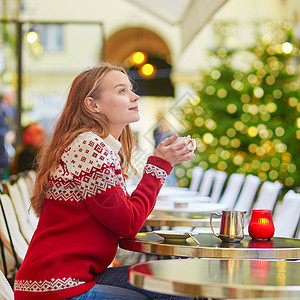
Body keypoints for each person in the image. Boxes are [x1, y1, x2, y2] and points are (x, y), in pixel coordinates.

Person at [14, 63, 195, 300]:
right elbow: (128, 224)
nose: (135, 96)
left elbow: (123, 216)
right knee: (175, 290)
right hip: (57, 288)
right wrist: (160, 164)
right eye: (122, 91)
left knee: (175, 283)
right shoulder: (89, 146)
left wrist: (160, 164)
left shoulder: (94, 145)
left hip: (66, 280)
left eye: (131, 89)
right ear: (93, 104)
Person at [0, 85, 16, 179]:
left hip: (7, 150)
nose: (14, 98)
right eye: (12, 95)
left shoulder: (11, 110)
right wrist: (5, 134)